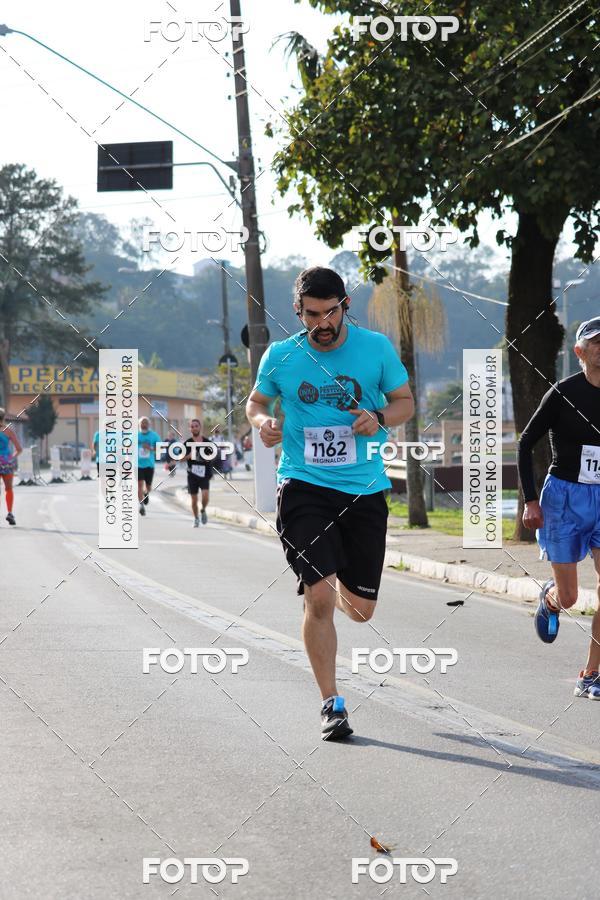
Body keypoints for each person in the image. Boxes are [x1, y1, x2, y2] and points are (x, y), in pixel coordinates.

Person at [246, 266, 414, 740]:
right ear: (298, 311)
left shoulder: (376, 349)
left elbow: (405, 402)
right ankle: (331, 703)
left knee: (360, 611)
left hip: (363, 489)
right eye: (312, 314)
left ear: (345, 307)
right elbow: (255, 402)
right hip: (303, 485)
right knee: (318, 596)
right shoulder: (282, 356)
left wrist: (379, 415)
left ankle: (330, 575)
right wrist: (262, 422)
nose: (322, 323)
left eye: (330, 312)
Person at [519, 316, 600, 700]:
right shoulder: (563, 393)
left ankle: (592, 673)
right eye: (596, 342)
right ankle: (551, 599)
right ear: (580, 352)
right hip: (565, 497)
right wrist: (530, 500)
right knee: (570, 598)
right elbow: (525, 442)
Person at [183, 418, 213, 526]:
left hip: (204, 473)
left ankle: (203, 510)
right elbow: (181, 458)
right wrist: (189, 456)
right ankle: (196, 518)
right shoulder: (187, 443)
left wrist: (207, 458)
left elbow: (213, 456)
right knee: (194, 500)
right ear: (189, 428)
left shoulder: (207, 442)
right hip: (192, 474)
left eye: (196, 426)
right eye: (192, 426)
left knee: (205, 496)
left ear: (200, 427)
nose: (194, 428)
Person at [0, 408, 22, 526]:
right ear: (4, 418)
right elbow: (19, 449)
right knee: (8, 489)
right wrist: (11, 458)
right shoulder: (8, 431)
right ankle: (9, 513)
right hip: (6, 462)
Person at [137, 416, 161, 516]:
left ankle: (146, 493)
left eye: (146, 423)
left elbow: (160, 449)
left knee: (148, 487)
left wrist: (150, 448)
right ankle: (141, 505)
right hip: (137, 465)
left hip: (149, 465)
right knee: (139, 485)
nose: (144, 424)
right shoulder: (135, 435)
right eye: (142, 423)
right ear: (139, 425)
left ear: (149, 425)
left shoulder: (154, 436)